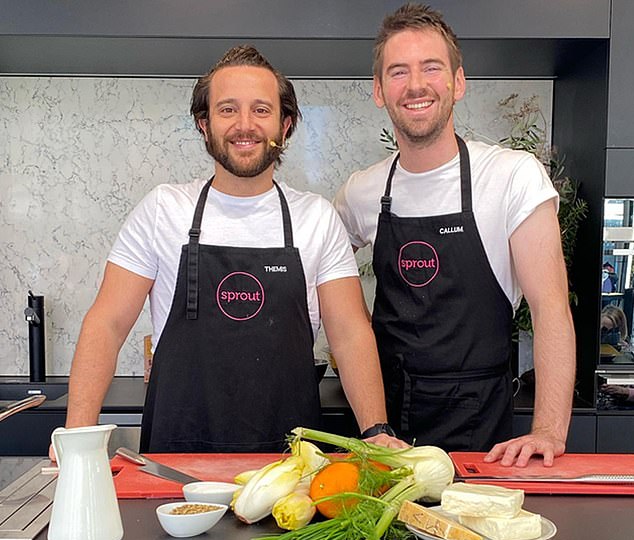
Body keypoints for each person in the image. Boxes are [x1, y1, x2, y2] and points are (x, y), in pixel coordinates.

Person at [60, 45, 403, 454]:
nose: (245, 125)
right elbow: (107, 323)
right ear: (203, 124)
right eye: (227, 110)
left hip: (289, 468)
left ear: (286, 124)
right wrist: (76, 435)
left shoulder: (316, 217)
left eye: (261, 110)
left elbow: (349, 333)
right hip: (177, 464)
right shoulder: (164, 209)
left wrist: (376, 430)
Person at [333, 3, 576, 467]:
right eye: (398, 72)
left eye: (431, 68)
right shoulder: (361, 192)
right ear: (379, 91)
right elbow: (324, 284)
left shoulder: (511, 178)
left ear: (458, 82)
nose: (416, 85)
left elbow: (550, 307)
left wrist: (547, 429)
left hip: (479, 428)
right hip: (383, 431)